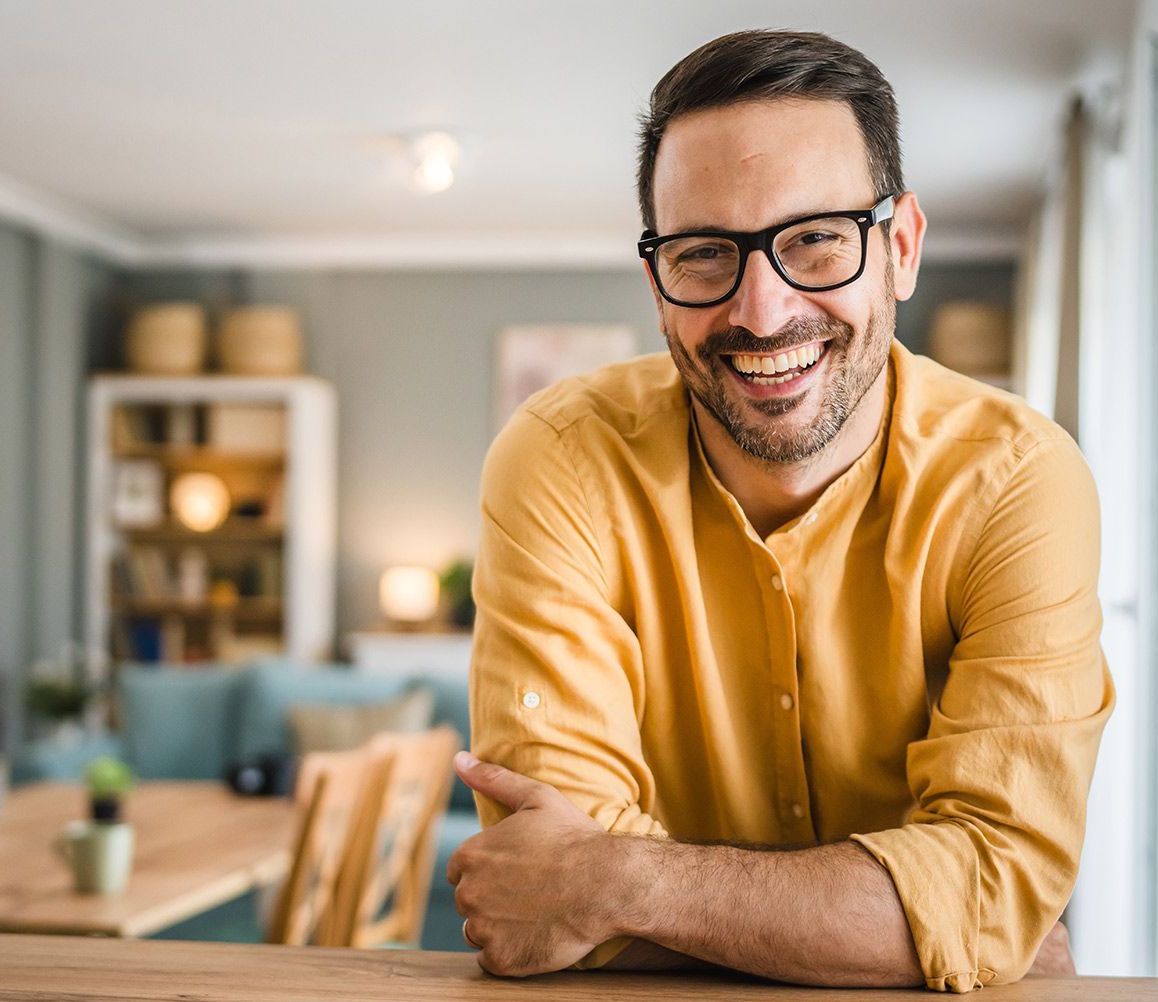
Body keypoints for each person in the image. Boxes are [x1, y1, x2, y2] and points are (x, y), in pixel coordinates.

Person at [444, 28, 1113, 993]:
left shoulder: (1020, 482)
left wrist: (617, 882)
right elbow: (540, 894)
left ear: (903, 248)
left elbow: (993, 891)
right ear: (657, 282)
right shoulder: (560, 460)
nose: (761, 311)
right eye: (706, 253)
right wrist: (923, 930)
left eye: (813, 240)